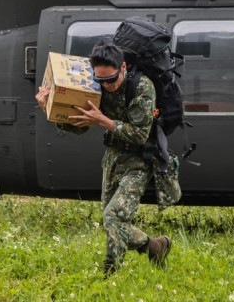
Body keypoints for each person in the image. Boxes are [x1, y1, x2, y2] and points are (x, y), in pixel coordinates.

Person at [35, 41, 171, 275]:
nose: (107, 86)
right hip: (113, 157)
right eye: (101, 80)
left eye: (112, 79)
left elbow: (139, 134)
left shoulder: (142, 87)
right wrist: (51, 110)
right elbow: (80, 127)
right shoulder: (95, 86)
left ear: (124, 67)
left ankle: (110, 274)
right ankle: (155, 246)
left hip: (140, 160)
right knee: (112, 222)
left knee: (113, 216)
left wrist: (103, 120)